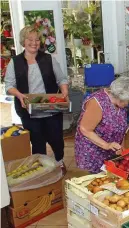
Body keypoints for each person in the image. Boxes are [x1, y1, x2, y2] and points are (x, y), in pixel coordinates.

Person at [5, 26, 69, 174]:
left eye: (37, 40)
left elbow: (62, 79)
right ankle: (42, 167)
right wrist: (19, 95)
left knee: (57, 139)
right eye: (30, 40)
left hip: (51, 109)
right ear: (23, 42)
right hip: (28, 111)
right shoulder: (15, 62)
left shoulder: (48, 59)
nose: (34, 43)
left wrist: (64, 91)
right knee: (37, 142)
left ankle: (59, 161)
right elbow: (9, 86)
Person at [75, 77, 129, 173]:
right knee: (98, 178)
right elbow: (85, 129)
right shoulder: (97, 102)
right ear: (120, 96)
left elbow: (120, 128)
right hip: (94, 150)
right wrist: (106, 145)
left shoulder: (119, 104)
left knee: (110, 175)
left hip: (110, 148)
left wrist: (121, 148)